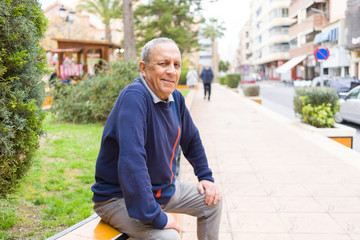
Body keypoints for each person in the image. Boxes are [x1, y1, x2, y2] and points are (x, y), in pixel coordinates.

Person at [91, 37, 222, 240]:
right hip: (119, 198)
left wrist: (205, 176)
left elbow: (191, 139)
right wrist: (157, 217)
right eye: (163, 63)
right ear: (144, 68)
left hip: (162, 192)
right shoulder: (135, 97)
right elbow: (133, 162)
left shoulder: (175, 98)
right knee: (167, 236)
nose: (172, 71)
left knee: (212, 200)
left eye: (176, 65)